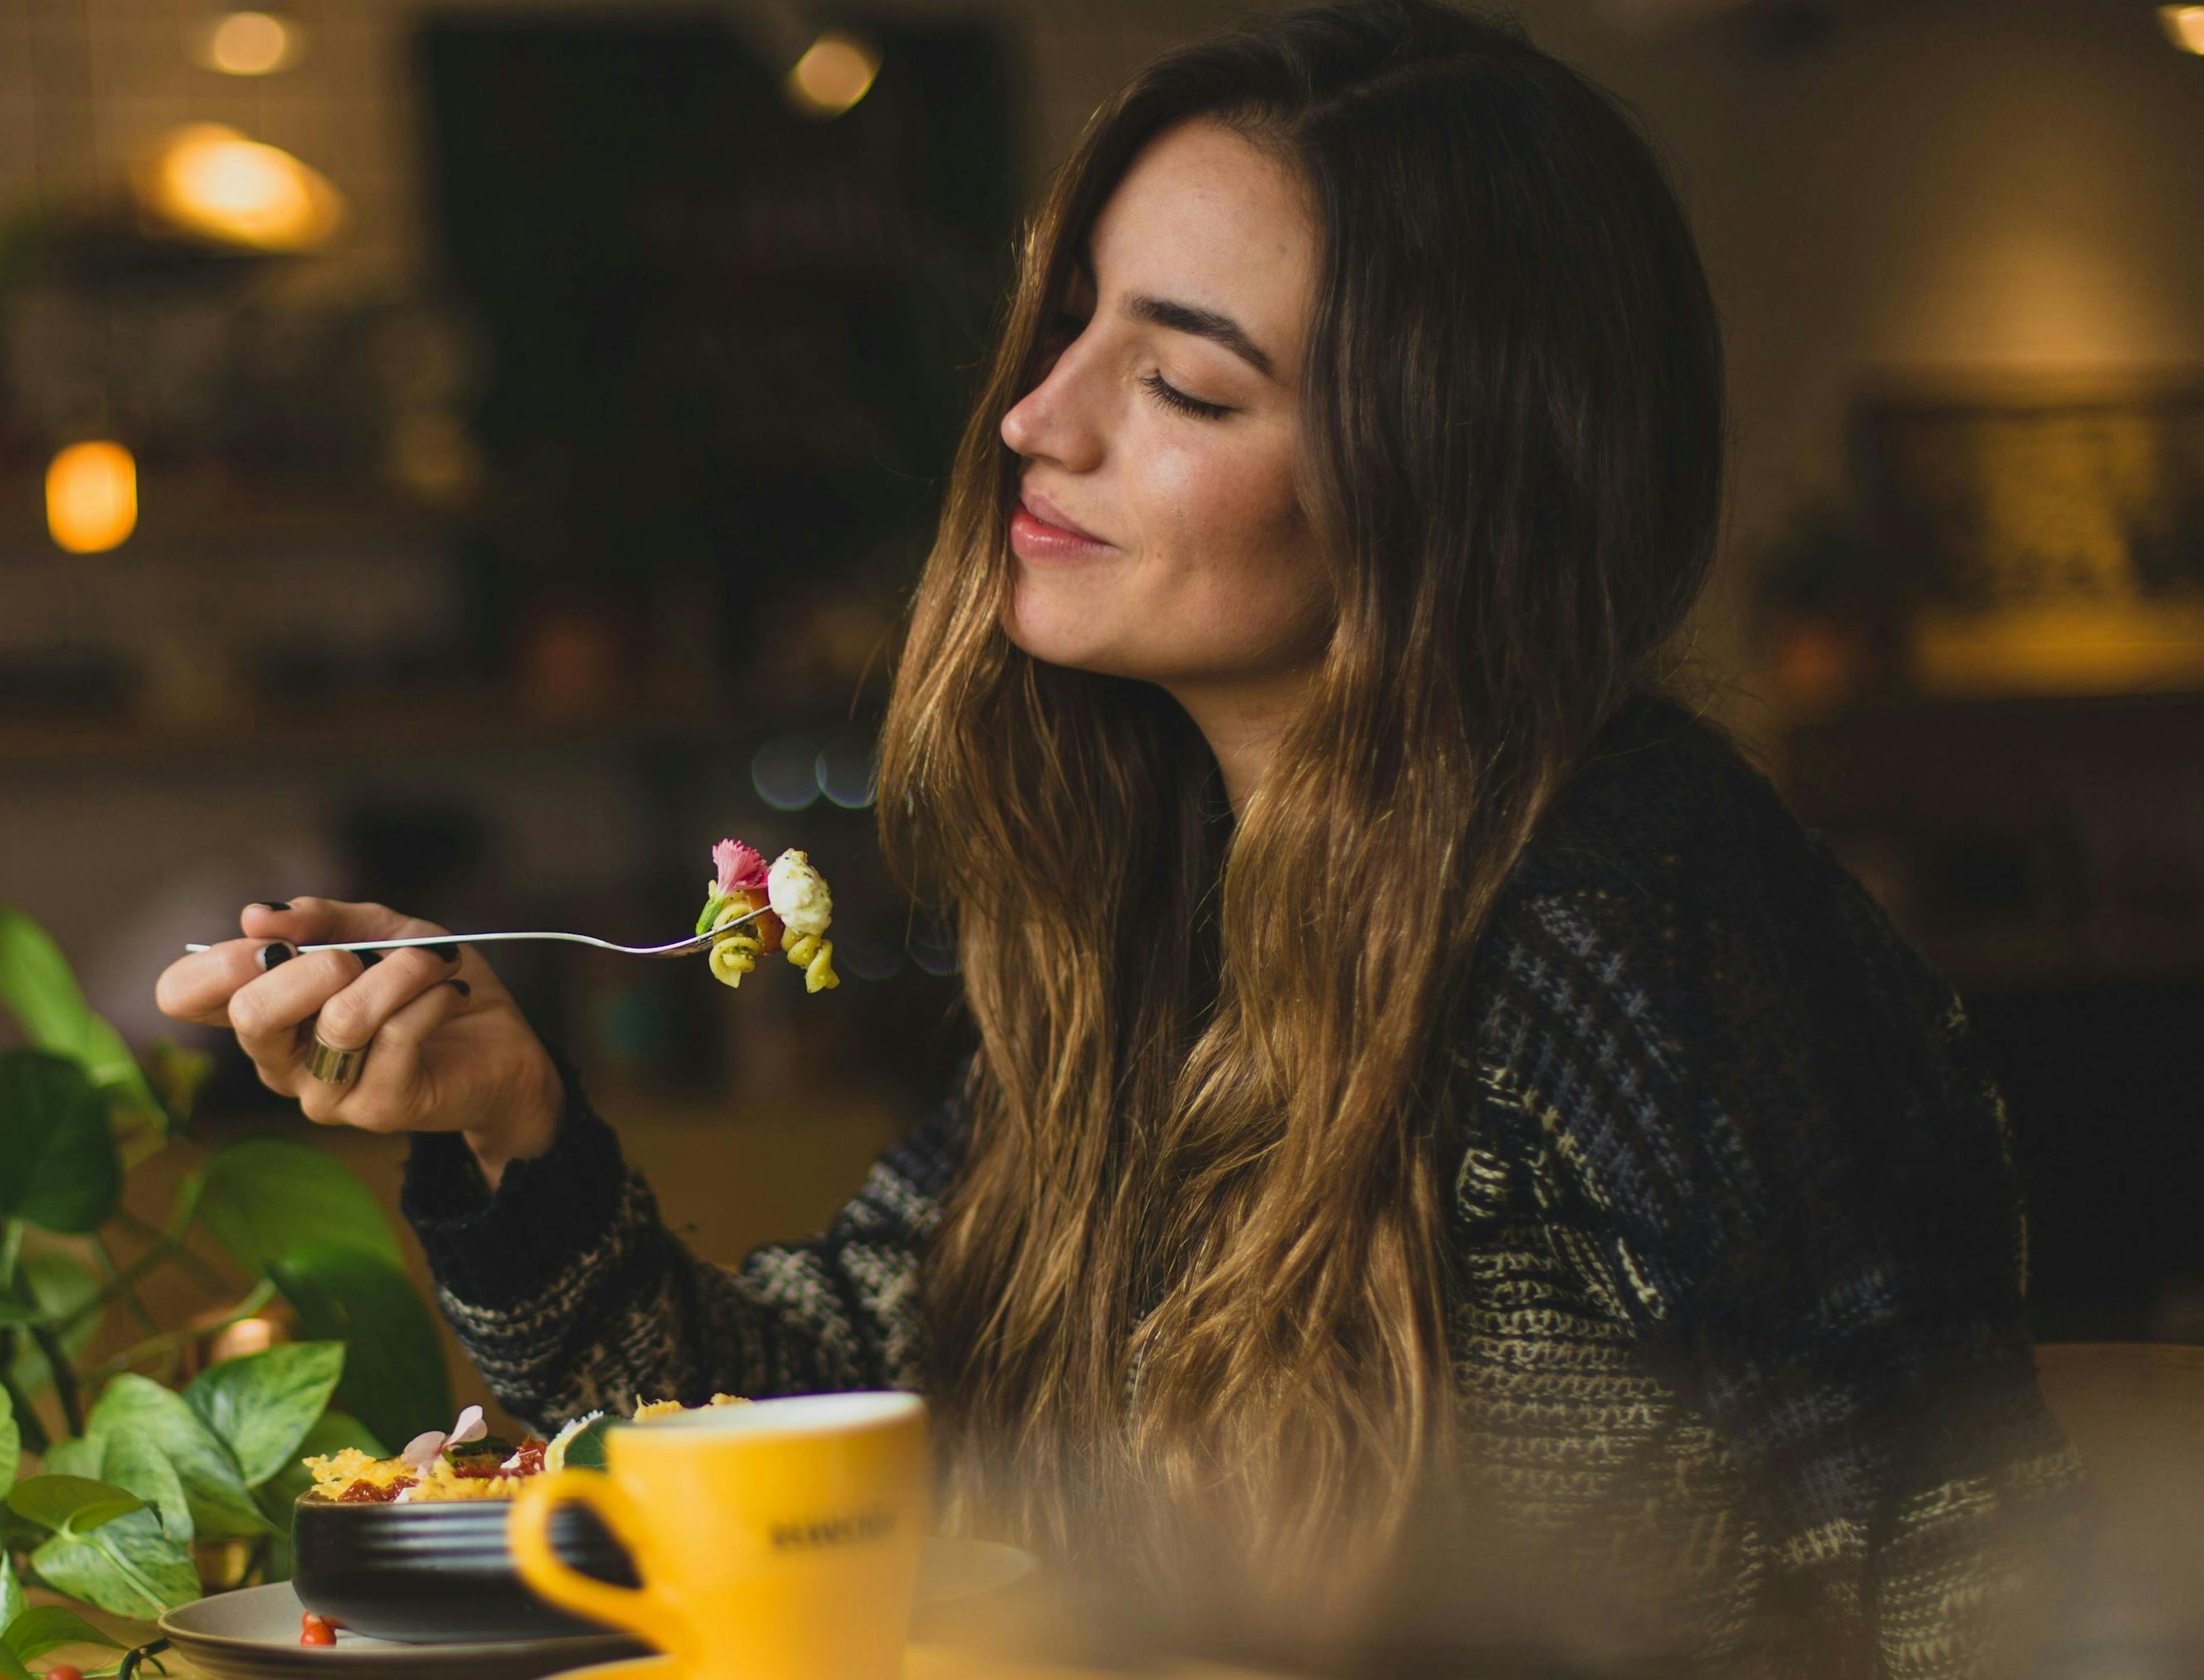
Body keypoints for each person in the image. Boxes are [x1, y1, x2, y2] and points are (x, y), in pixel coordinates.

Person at [157, 0, 2081, 1668]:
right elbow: (796, 1441)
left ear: (1446, 482)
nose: (1033, 418)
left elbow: (1960, 1583)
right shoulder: (1168, 920)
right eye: (1067, 323)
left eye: (1181, 380)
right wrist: (515, 1129)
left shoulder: (1636, 922)